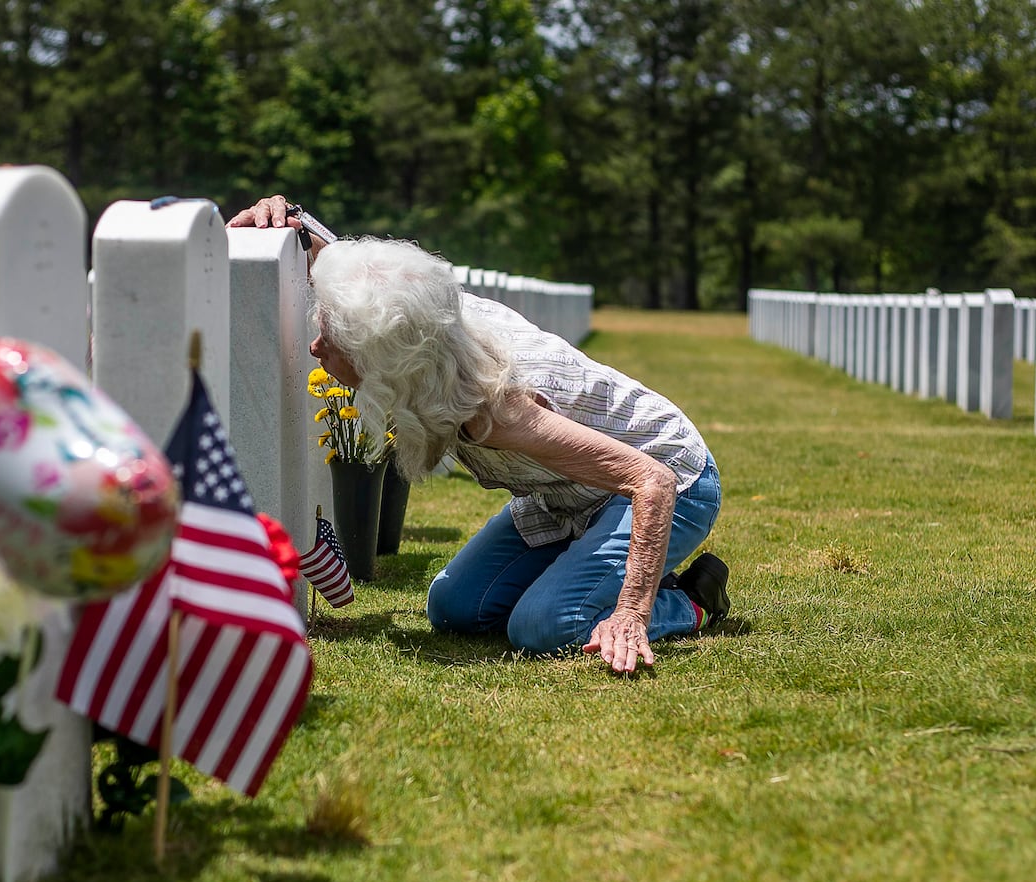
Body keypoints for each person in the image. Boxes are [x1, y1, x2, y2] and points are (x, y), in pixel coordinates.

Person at [227, 196, 729, 674]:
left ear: (387, 364)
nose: (315, 348)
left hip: (666, 480)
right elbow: (357, 275)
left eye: (333, 342)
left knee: (548, 625)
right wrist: (285, 215)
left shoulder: (497, 407)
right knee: (455, 608)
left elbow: (651, 480)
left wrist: (632, 612)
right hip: (565, 494)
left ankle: (690, 600)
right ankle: (592, 569)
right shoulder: (420, 318)